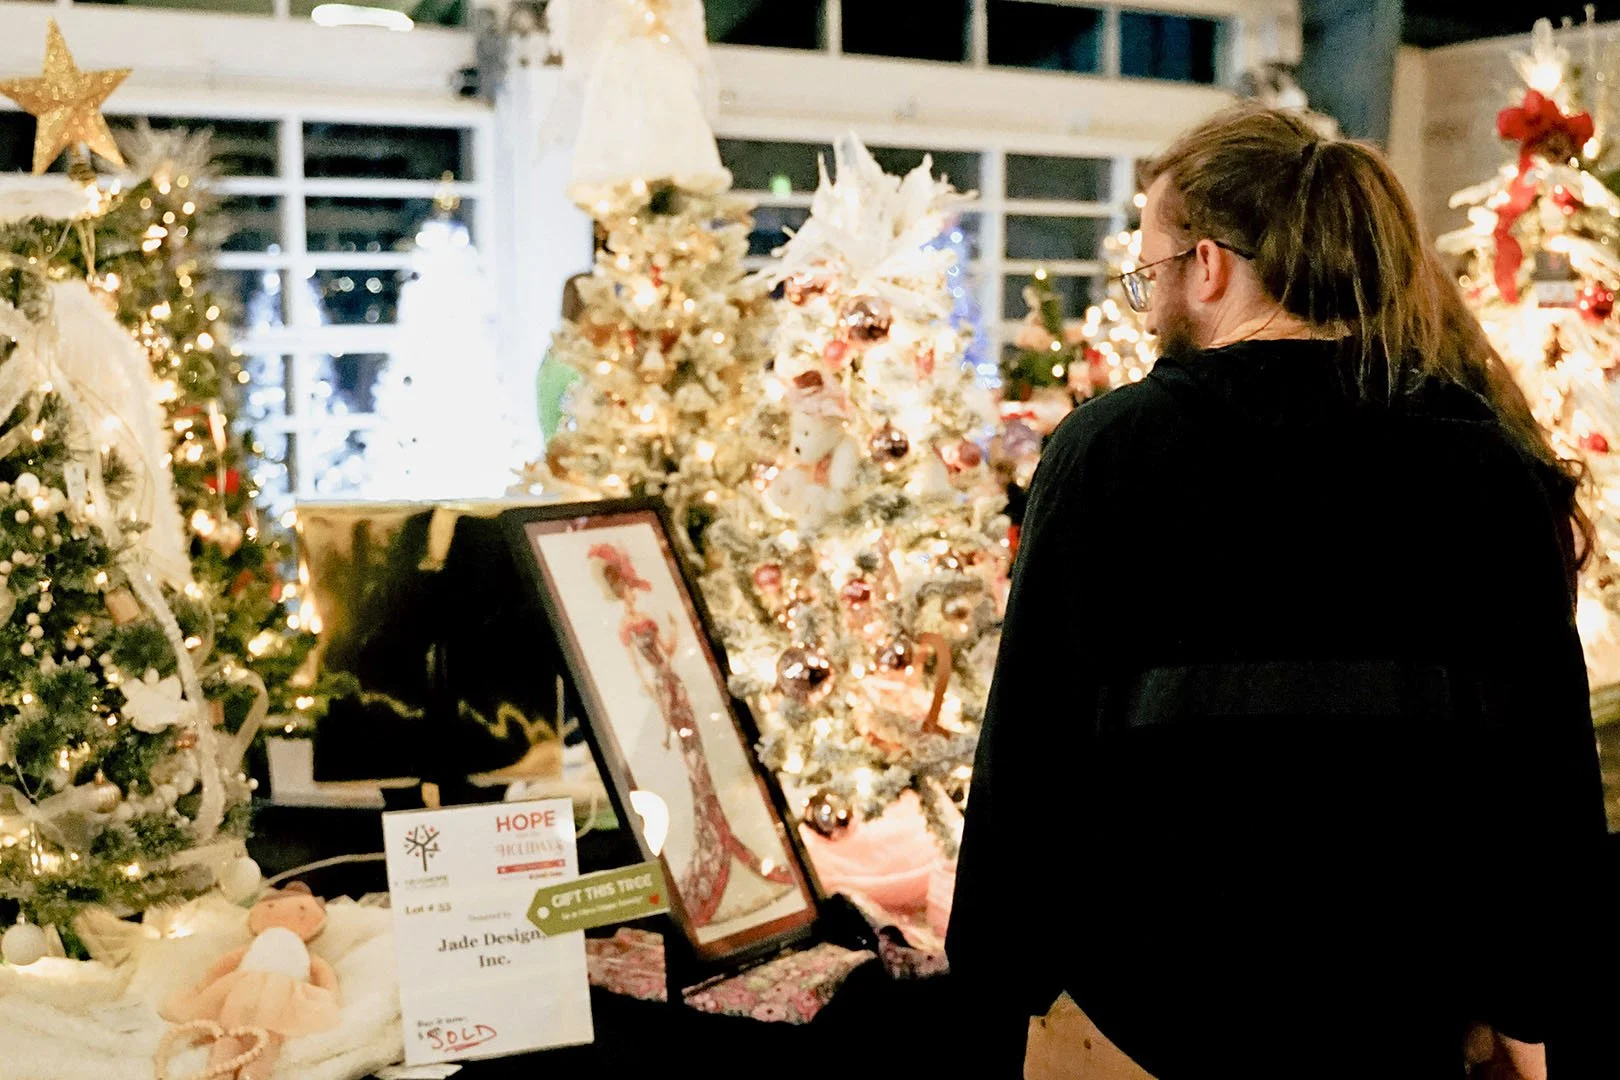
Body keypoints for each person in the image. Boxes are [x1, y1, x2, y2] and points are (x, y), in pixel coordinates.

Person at [948, 104, 1610, 1079]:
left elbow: (1031, 755)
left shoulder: (1109, 454)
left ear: (1207, 267)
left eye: (1149, 274)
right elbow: (1546, 772)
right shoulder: (1483, 465)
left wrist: (1001, 981)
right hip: (1406, 1016)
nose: (1148, 301)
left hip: (1155, 1016)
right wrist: (1531, 1002)